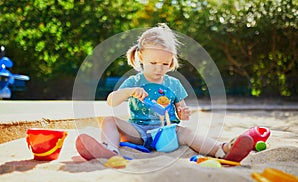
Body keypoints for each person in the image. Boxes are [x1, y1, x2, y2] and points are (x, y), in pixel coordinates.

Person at [76, 23, 253, 162]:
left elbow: (181, 110)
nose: (159, 69)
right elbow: (111, 101)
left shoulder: (173, 84)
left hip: (166, 134)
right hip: (138, 131)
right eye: (153, 63)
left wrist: (183, 112)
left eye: (165, 64)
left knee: (187, 133)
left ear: (171, 62)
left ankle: (220, 150)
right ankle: (110, 150)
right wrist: (129, 92)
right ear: (141, 57)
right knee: (109, 121)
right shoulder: (134, 81)